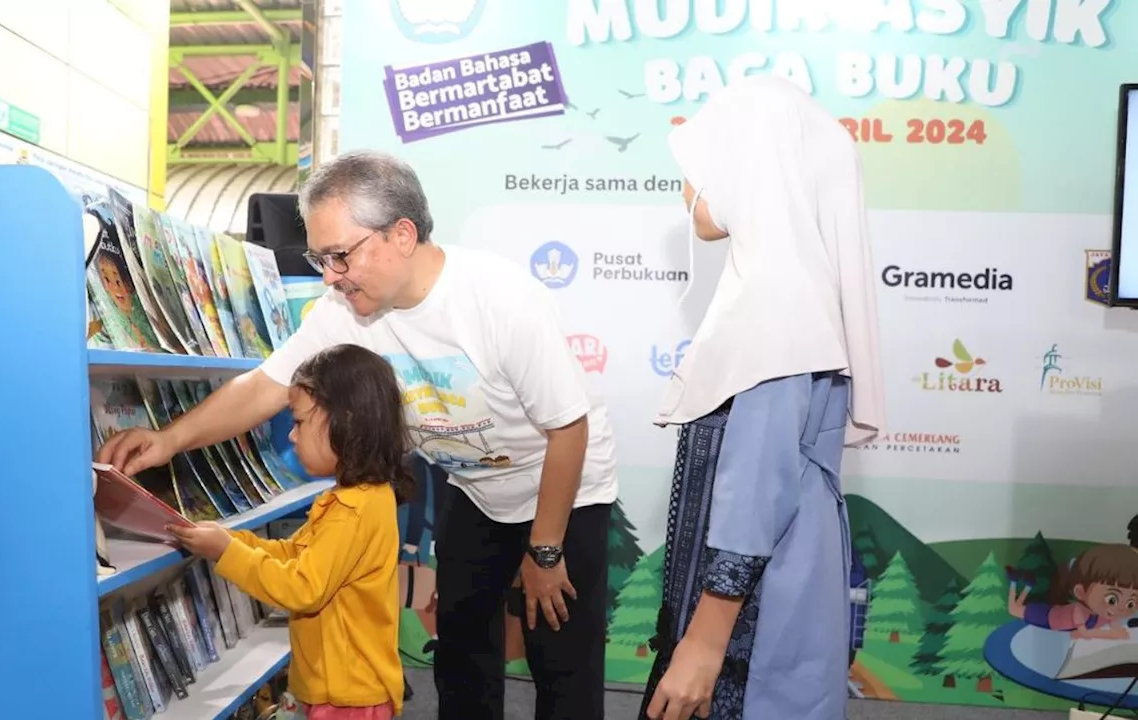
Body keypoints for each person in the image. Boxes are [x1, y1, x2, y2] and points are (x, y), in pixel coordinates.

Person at [98, 150, 620, 720]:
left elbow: (568, 429)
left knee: (562, 660)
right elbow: (266, 386)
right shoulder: (343, 309)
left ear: (402, 234)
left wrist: (544, 552)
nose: (329, 275)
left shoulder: (500, 299)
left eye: (340, 256)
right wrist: (169, 440)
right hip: (473, 490)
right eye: (320, 258)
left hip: (563, 487)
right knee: (464, 647)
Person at [639, 77, 886, 720]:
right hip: (775, 592)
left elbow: (756, 497)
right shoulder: (793, 288)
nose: (687, 189)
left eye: (698, 169)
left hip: (753, 619)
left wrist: (701, 646)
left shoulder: (775, 301)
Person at [167, 344, 407, 719]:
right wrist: (233, 540)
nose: (292, 437)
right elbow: (296, 553)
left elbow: (301, 587)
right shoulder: (353, 498)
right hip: (336, 688)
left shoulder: (353, 509)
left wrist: (226, 553)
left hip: (348, 697)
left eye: (299, 422)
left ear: (346, 421)